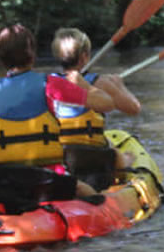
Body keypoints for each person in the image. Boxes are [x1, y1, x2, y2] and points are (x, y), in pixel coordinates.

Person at [0, 23, 117, 206]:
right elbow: (107, 104)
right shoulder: (51, 85)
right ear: (32, 55)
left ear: (1, 58)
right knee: (87, 192)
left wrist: (7, 162)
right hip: (48, 182)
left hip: (4, 184)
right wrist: (85, 85)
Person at [51, 27, 141, 191]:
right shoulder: (100, 83)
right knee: (126, 156)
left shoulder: (48, 84)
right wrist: (120, 85)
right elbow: (134, 108)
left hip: (61, 156)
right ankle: (124, 163)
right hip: (95, 157)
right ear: (85, 57)